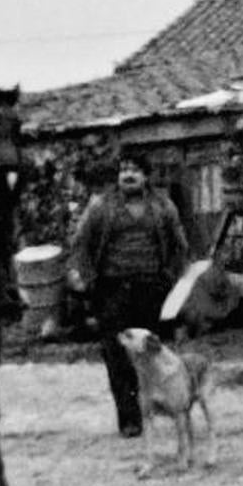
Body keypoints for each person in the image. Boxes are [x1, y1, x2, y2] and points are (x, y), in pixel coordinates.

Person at [69, 152, 189, 436]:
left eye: (135, 169)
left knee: (150, 355)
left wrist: (172, 278)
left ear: (146, 176)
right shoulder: (101, 207)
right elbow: (80, 244)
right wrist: (87, 280)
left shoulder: (163, 207)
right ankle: (129, 419)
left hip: (151, 290)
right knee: (117, 355)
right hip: (112, 291)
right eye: (123, 170)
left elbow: (179, 245)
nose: (128, 175)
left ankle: (151, 410)